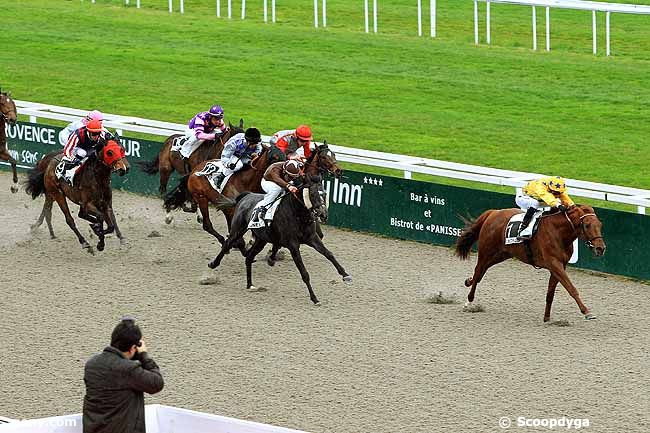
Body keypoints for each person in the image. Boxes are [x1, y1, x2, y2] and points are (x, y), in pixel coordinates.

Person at [83, 316, 164, 433]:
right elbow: (157, 383)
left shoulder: (92, 364)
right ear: (133, 348)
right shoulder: (128, 369)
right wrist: (143, 355)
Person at [60, 119, 113, 185]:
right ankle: (64, 172)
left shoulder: (102, 134)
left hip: (90, 147)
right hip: (77, 147)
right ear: (88, 132)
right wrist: (73, 159)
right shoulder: (77, 134)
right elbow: (67, 149)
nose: (96, 136)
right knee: (82, 153)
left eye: (98, 133)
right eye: (94, 134)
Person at [255, 159, 304, 224]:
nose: (291, 179)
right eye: (290, 176)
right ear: (284, 171)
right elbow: (277, 179)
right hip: (268, 182)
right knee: (276, 189)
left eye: (293, 177)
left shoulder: (294, 168)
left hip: (282, 184)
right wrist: (288, 186)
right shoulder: (275, 168)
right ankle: (263, 209)